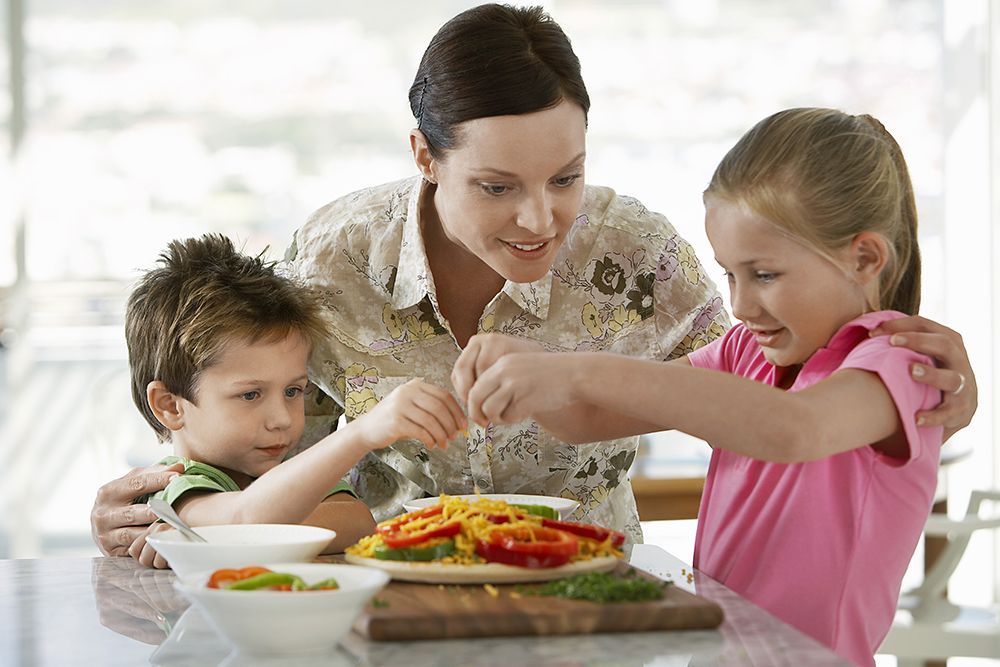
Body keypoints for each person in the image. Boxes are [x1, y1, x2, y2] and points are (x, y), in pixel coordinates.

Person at [91, 4, 977, 558]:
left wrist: (943, 389)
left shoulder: (638, 253)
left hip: (595, 603)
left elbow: (776, 373)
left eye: (566, 177)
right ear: (424, 158)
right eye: (496, 186)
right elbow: (250, 420)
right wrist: (174, 504)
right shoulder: (331, 260)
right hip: (382, 607)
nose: (540, 220)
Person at [454, 107, 947, 665]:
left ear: (863, 259)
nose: (740, 305)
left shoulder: (902, 368)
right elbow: (590, 419)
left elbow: (793, 428)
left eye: (765, 275)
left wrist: (571, 368)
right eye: (729, 275)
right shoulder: (744, 352)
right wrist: (531, 375)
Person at [123, 234, 464, 567]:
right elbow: (246, 517)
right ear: (170, 405)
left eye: (293, 391)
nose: (282, 419)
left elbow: (357, 519)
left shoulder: (283, 474)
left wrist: (228, 534)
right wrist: (361, 433)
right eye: (250, 394)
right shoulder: (176, 492)